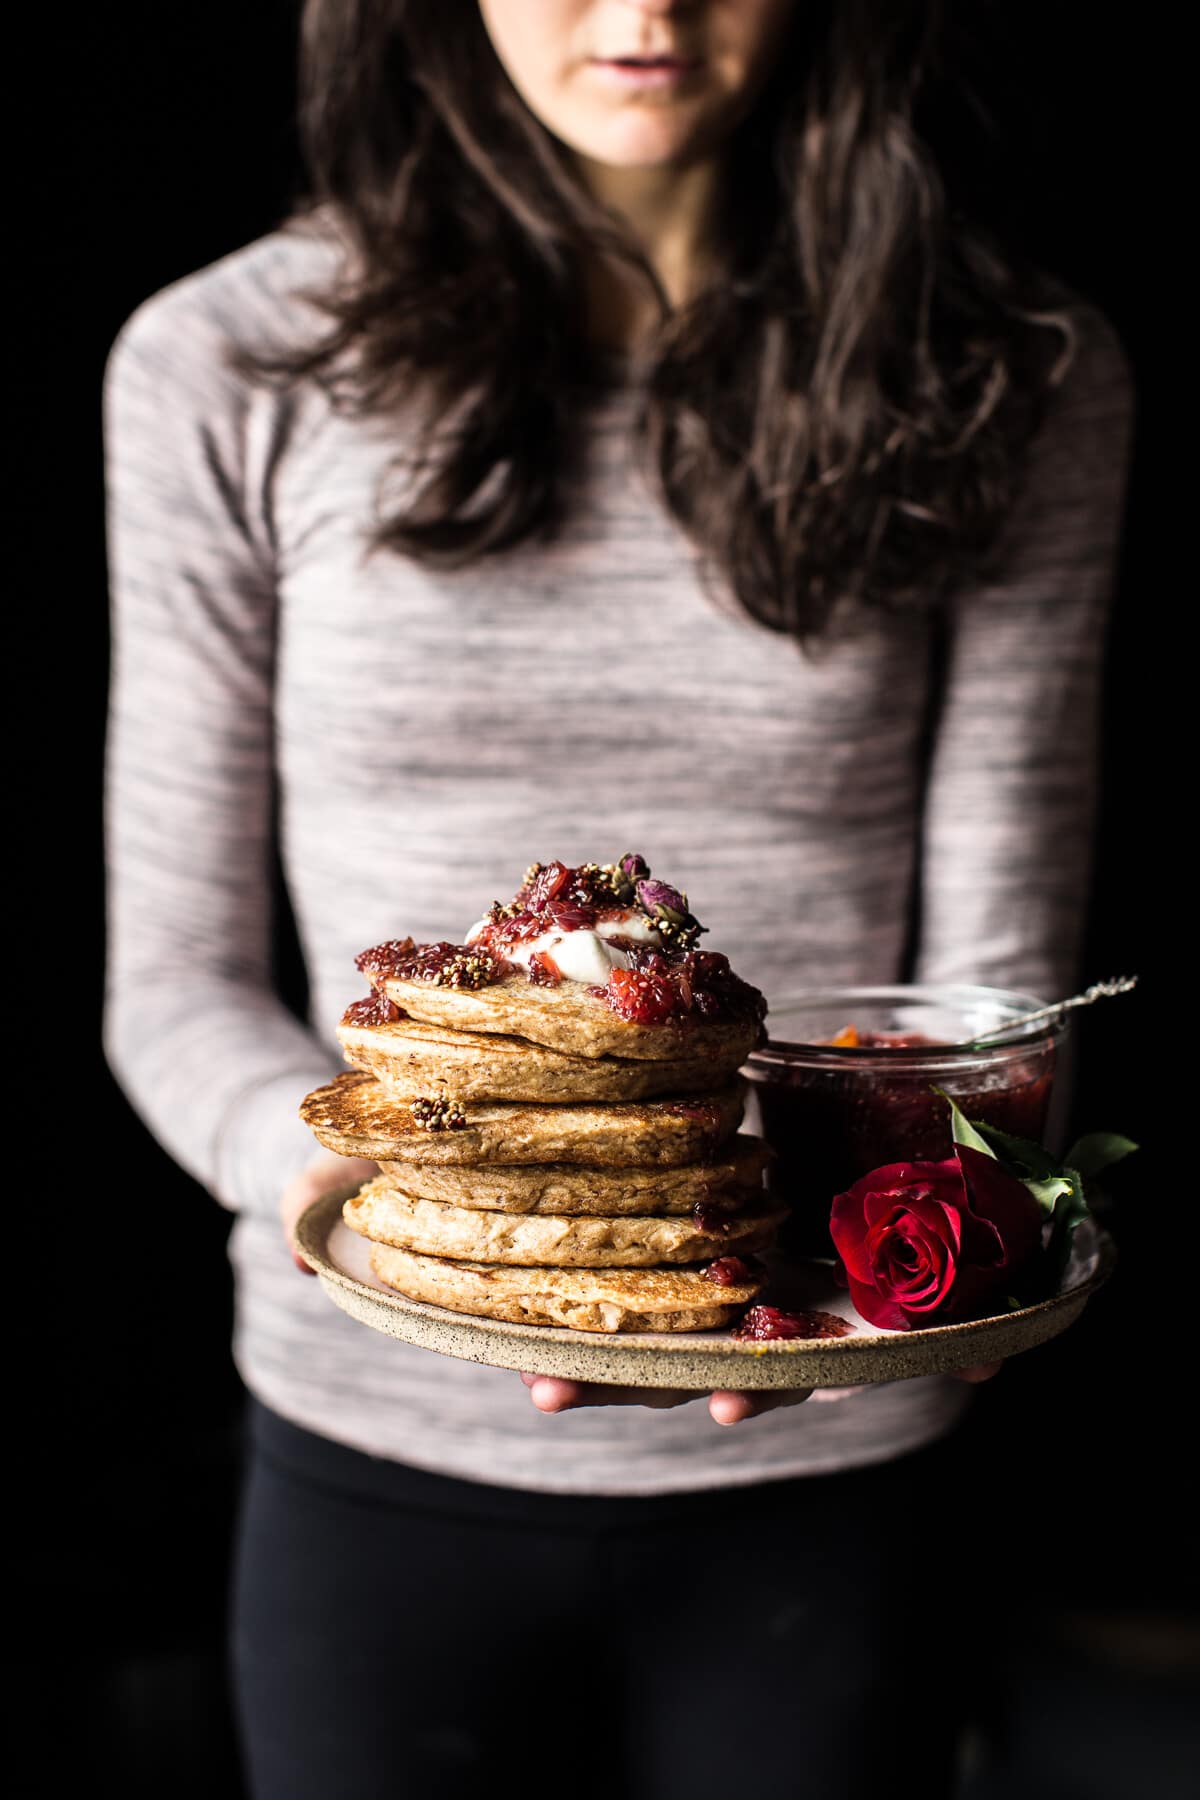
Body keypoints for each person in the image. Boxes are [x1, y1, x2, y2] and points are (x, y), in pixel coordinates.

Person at [102, 3, 1133, 1796]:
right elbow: (172, 981)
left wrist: (869, 1280)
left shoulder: (1012, 370)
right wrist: (400, 1213)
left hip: (824, 1457)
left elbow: (989, 988)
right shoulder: (226, 362)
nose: (642, 8)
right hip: (373, 1458)